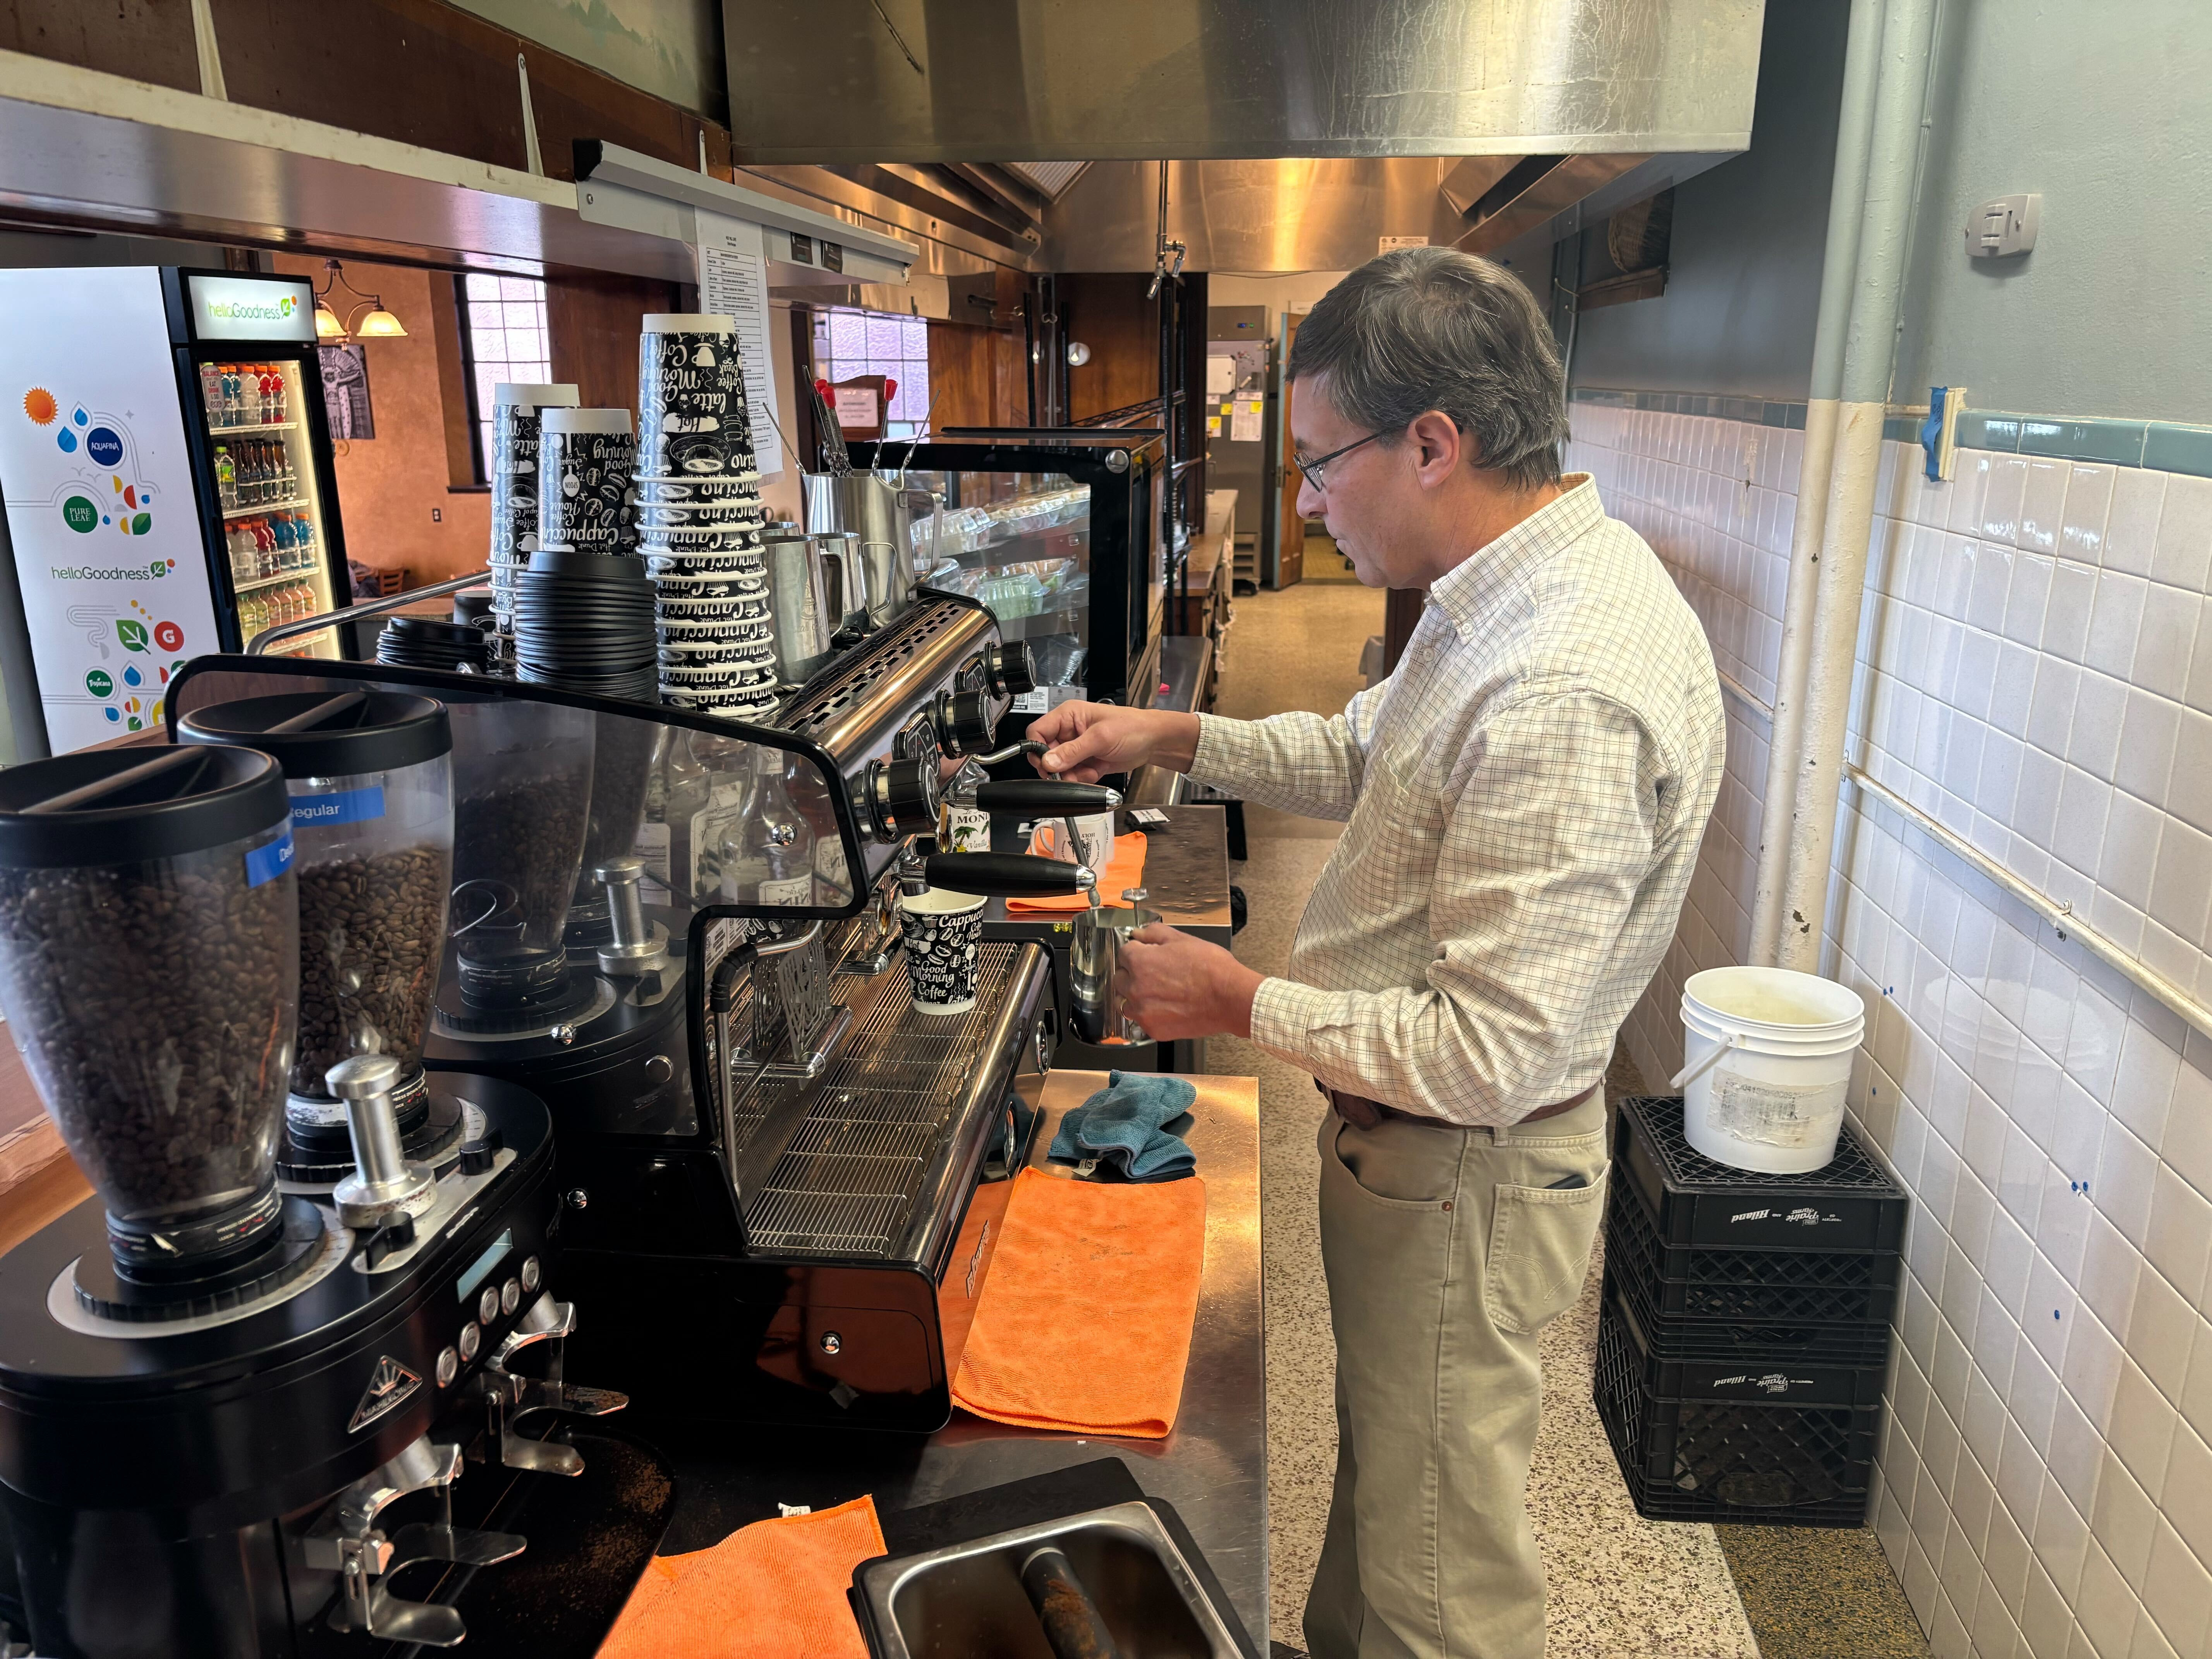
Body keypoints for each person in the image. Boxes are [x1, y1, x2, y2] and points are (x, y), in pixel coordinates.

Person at [1026, 246, 1724, 1659]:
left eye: (1321, 463)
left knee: (1439, 1588)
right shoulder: (1511, 587)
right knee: (1393, 1492)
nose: (1305, 500)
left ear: (1432, 443)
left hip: (1467, 1168)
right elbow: (1365, 751)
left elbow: (1492, 1051)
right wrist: (1169, 732)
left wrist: (1239, 995)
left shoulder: (1561, 680)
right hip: (1423, 1157)